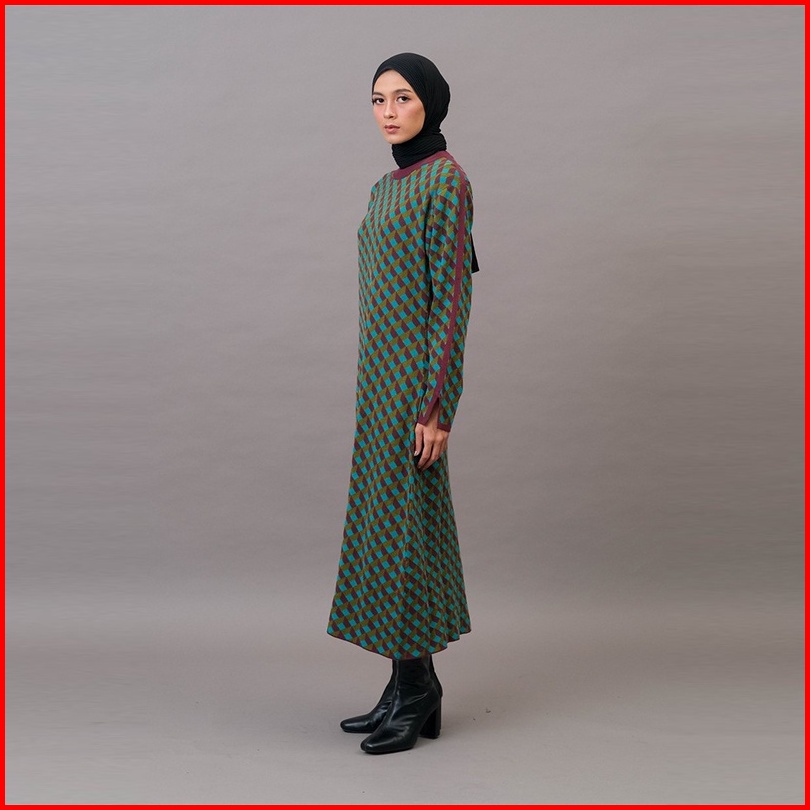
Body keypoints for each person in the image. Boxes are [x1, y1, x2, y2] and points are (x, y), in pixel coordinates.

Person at [326, 52, 480, 755]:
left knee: (407, 530)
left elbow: (452, 301)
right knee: (390, 529)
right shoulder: (383, 187)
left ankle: (417, 691)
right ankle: (407, 685)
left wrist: (437, 406)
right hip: (377, 383)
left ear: (431, 104)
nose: (388, 111)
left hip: (415, 387)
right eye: (377, 99)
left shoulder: (446, 180)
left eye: (403, 98)